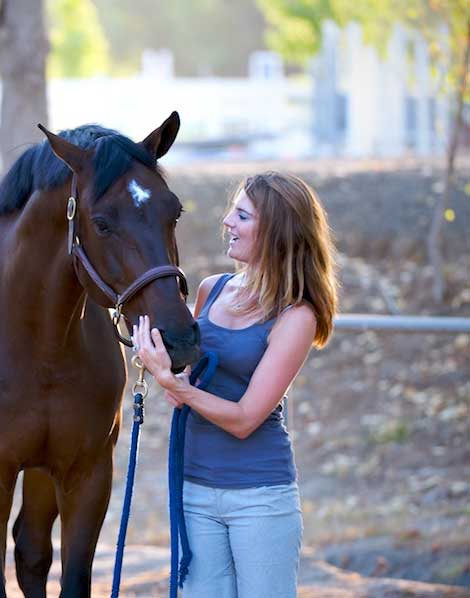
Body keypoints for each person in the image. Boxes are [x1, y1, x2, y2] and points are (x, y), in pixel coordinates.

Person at [134, 171, 338, 598]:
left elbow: (245, 418)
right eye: (233, 211)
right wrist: (163, 367)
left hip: (259, 498)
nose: (226, 221)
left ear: (278, 232)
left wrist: (172, 381)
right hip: (194, 491)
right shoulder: (212, 289)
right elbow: (183, 392)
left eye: (242, 215)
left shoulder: (296, 315)